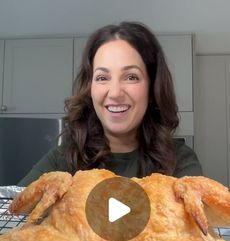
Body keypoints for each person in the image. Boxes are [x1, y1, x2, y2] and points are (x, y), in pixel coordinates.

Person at [18, 21, 202, 186]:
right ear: (90, 88)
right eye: (102, 77)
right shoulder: (64, 159)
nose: (114, 93)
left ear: (152, 88)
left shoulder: (180, 161)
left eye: (131, 77)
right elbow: (12, 213)